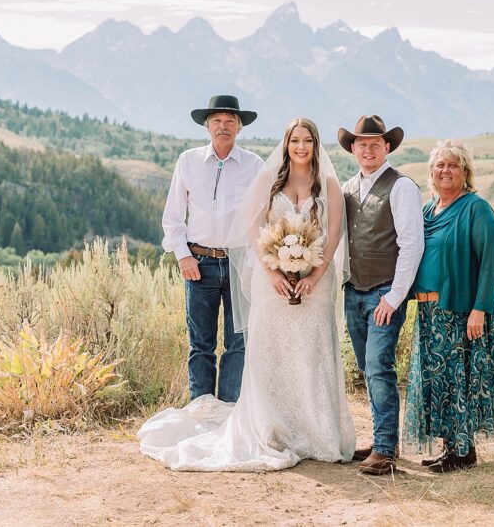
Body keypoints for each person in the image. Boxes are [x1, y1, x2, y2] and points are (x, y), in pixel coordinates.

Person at [139, 118, 355, 471]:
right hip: (273, 284)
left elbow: (333, 236)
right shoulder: (271, 181)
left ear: (316, 145)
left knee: (312, 352)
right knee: (270, 352)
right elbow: (253, 227)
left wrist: (314, 275)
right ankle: (272, 427)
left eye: (308, 141)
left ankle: (317, 431)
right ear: (286, 145)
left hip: (315, 284)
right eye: (295, 141)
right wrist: (272, 271)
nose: (301, 147)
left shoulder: (328, 184)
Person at [402, 139, 494, 472]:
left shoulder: (476, 209)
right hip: (429, 312)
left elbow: (491, 262)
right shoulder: (426, 210)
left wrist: (480, 309)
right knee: (439, 382)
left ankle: (463, 454)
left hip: (460, 312)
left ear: (465, 172)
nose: (445, 171)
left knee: (458, 380)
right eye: (439, 165)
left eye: (452, 165)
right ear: (431, 173)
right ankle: (451, 448)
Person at [161, 95, 263, 403]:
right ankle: (201, 408)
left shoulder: (254, 165)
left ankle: (230, 410)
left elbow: (262, 219)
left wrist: (251, 265)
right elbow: (173, 216)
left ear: (239, 128)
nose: (223, 127)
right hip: (199, 262)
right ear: (207, 126)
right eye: (217, 121)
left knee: (238, 342)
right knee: (201, 344)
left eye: (230, 121)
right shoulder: (188, 161)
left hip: (239, 263)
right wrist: (183, 255)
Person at [338, 115, 425, 475]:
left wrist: (395, 296)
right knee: (366, 367)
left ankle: (386, 449)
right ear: (353, 149)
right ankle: (380, 438)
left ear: (387, 147)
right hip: (353, 292)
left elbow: (412, 245)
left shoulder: (402, 186)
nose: (368, 149)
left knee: (378, 367)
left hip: (384, 294)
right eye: (362, 144)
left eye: (376, 143)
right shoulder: (346, 188)